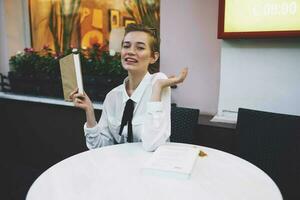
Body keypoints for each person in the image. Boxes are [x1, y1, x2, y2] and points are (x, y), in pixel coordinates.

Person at [70, 24, 188, 151]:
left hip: (151, 167)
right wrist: (89, 111)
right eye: (126, 46)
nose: (131, 51)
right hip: (120, 166)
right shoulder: (112, 96)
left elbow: (153, 145)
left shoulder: (158, 85)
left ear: (153, 57)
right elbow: (99, 147)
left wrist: (158, 87)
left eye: (140, 47)